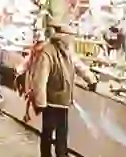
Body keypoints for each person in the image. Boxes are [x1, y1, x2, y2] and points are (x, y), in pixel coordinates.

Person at [30, 23, 97, 157]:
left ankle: (61, 154)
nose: (72, 40)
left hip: (63, 100)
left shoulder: (67, 51)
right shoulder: (47, 52)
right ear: (63, 37)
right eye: (70, 37)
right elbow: (40, 79)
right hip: (50, 101)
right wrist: (40, 102)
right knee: (48, 133)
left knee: (62, 133)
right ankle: (46, 155)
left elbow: (78, 65)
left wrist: (91, 79)